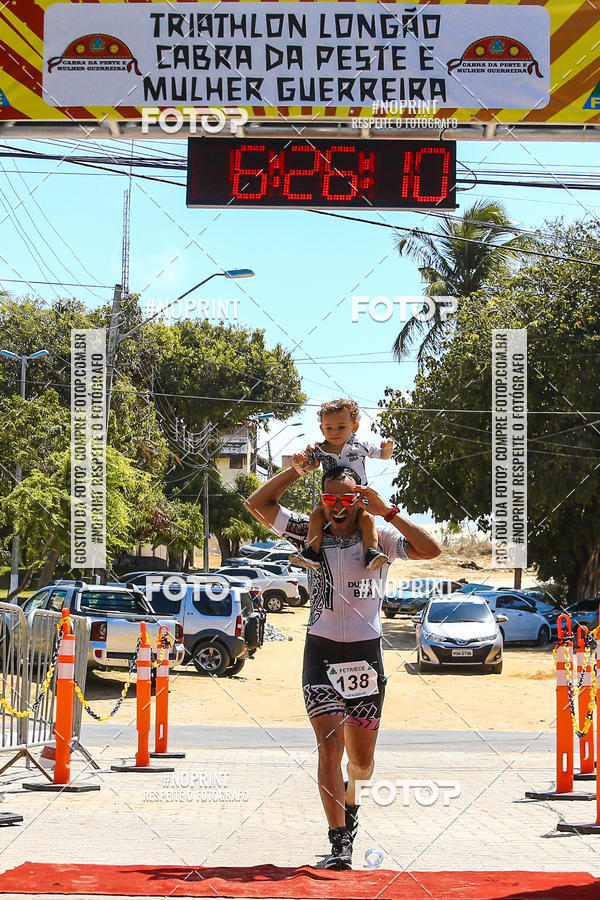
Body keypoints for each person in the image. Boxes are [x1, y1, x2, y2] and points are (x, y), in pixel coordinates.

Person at [245, 456, 441, 870]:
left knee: (362, 763)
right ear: (322, 500)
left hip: (366, 657)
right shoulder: (306, 532)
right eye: (329, 497)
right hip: (320, 652)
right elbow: (258, 504)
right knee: (329, 747)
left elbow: (431, 550)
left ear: (358, 500)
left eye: (347, 497)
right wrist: (296, 471)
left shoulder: (381, 538)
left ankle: (351, 804)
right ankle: (339, 842)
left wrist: (387, 509)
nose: (338, 505)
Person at [288, 398, 394, 573]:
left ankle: (372, 553)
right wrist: (300, 461)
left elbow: (383, 455)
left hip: (358, 498)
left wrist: (388, 448)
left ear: (354, 427)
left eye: (341, 427)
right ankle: (312, 554)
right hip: (330, 500)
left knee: (367, 519)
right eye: (328, 428)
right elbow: (310, 466)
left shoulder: (360, 446)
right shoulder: (319, 449)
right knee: (315, 516)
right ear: (322, 428)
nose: (334, 432)